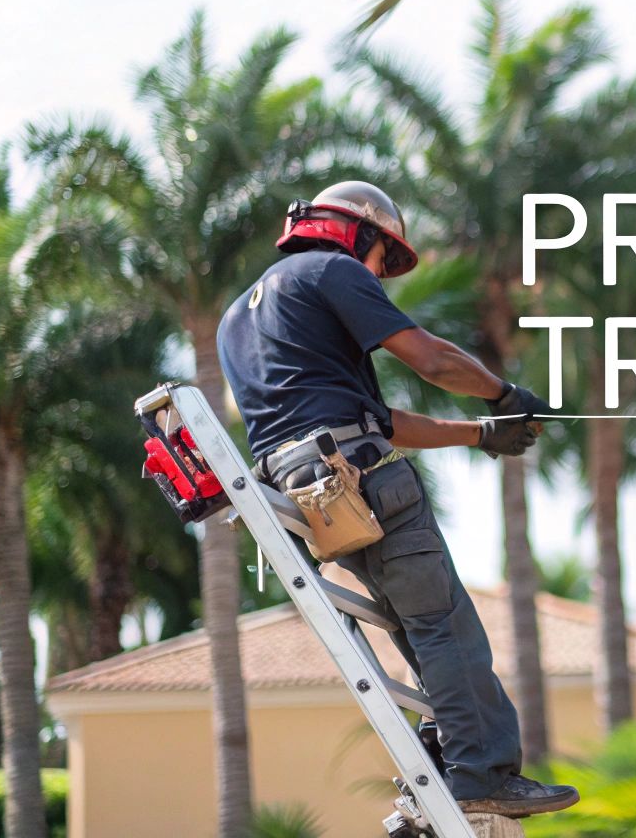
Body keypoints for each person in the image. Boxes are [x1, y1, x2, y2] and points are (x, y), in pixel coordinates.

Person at [216, 180, 579, 819]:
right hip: (359, 478)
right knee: (446, 626)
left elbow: (372, 417)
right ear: (359, 233)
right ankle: (482, 772)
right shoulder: (334, 270)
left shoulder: (239, 317)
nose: (382, 274)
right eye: (386, 257)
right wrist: (503, 393)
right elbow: (430, 359)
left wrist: (483, 434)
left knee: (419, 628)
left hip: (309, 493)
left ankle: (442, 761)